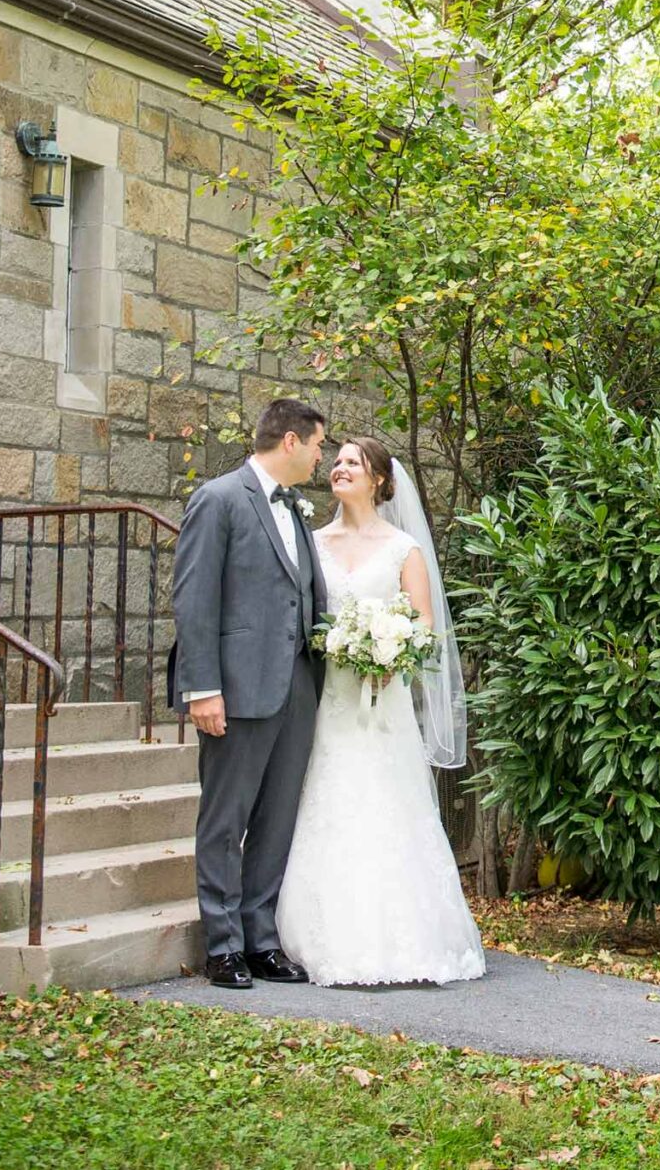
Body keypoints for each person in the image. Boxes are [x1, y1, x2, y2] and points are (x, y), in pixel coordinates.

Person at [274, 432, 485, 985]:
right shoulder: (311, 543)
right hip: (330, 701)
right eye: (337, 461)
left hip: (382, 704)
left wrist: (391, 650)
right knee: (329, 799)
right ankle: (316, 935)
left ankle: (404, 939)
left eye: (353, 463)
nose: (339, 468)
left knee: (387, 806)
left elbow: (423, 624)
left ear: (380, 481)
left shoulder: (401, 548)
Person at [167, 398, 330, 989]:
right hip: (234, 690)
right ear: (290, 441)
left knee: (277, 818)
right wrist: (202, 688)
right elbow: (194, 599)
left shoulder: (299, 512)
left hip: (296, 688)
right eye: (317, 444)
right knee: (225, 816)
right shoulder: (218, 499)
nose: (321, 456)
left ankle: (261, 939)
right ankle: (224, 945)